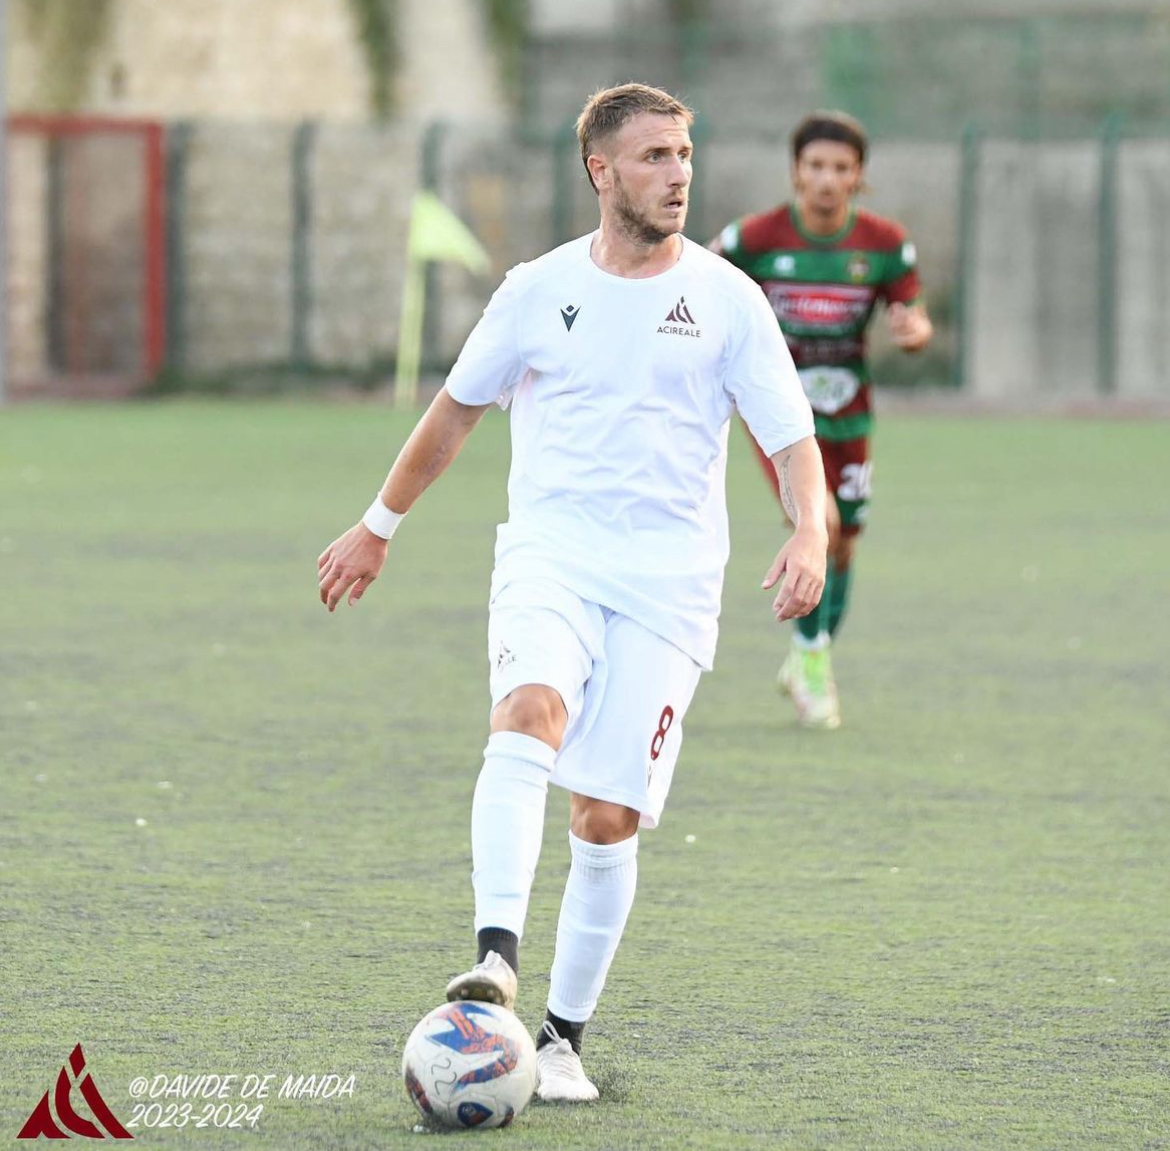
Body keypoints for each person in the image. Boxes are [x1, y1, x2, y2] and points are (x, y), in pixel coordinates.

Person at [317, 84, 826, 1103]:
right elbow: (454, 412)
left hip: (670, 585)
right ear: (601, 171)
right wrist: (378, 524)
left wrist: (809, 526)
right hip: (550, 556)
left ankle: (559, 1040)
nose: (677, 174)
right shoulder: (535, 290)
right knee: (527, 711)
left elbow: (791, 439)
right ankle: (494, 957)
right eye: (653, 156)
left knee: (605, 815)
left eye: (684, 154)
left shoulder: (729, 298)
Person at [710, 111, 933, 730]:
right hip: (778, 414)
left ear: (859, 176)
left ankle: (810, 652)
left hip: (848, 412)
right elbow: (699, 286)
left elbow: (914, 317)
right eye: (815, 166)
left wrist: (913, 331)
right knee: (820, 523)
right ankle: (813, 667)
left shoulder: (885, 244)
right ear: (795, 171)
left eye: (841, 168)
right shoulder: (753, 239)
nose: (827, 179)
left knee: (847, 541)